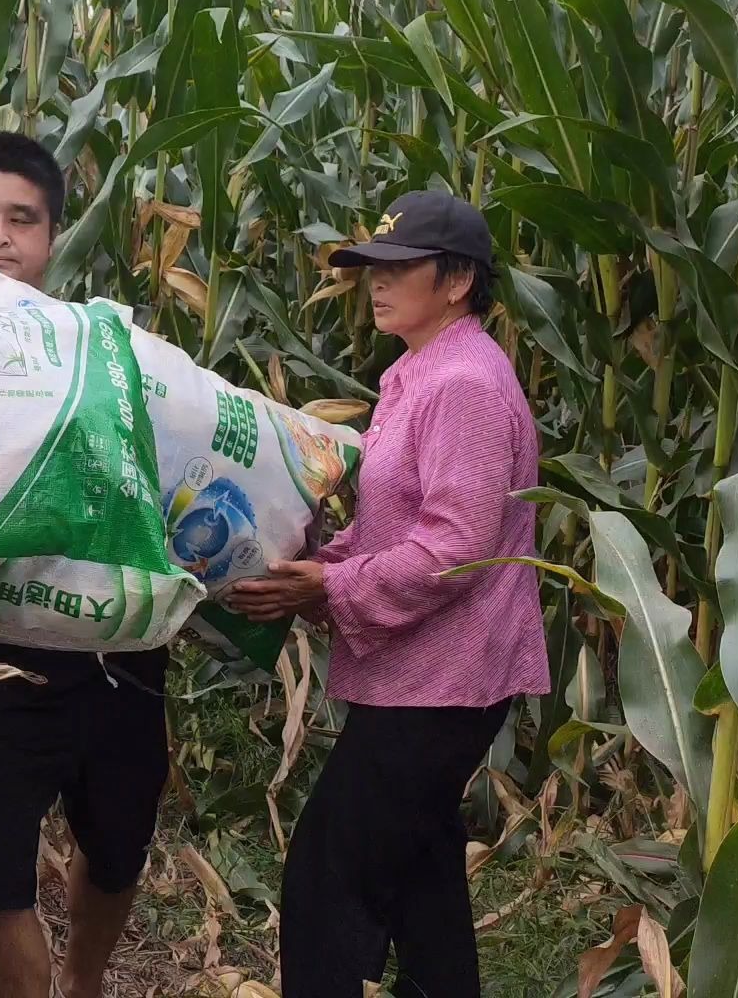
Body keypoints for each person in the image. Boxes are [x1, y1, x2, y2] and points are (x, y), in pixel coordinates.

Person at [224, 189, 548, 998]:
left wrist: (331, 584)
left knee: (331, 880)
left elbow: (455, 547)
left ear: (458, 281)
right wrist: (309, 575)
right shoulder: (417, 371)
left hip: (447, 681)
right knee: (424, 874)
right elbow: (391, 528)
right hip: (420, 676)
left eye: (400, 266)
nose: (377, 281)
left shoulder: (465, 383)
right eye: (373, 265)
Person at [0, 131, 169, 998]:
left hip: (116, 661)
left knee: (117, 852)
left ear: (53, 237)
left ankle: (83, 982)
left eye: (21, 219)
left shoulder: (103, 354)